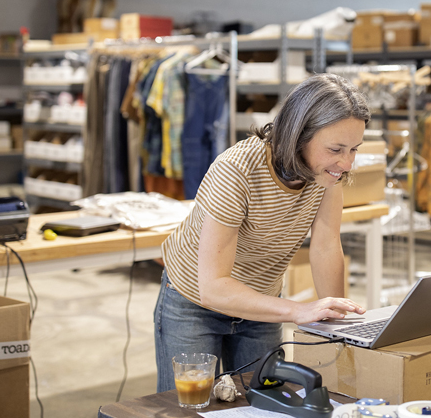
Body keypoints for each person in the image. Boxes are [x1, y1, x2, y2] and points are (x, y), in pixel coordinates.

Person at [154, 73, 370, 392]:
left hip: (261, 302)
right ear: (298, 135)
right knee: (188, 407)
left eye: (354, 149)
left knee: (265, 402)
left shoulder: (327, 176)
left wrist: (336, 320)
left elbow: (325, 245)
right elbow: (213, 287)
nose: (347, 163)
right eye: (337, 149)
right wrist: (298, 311)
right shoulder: (236, 170)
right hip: (193, 303)